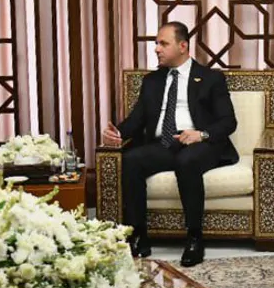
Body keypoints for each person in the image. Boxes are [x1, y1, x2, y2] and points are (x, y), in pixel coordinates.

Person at [101, 22, 238, 267]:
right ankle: (139, 235)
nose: (157, 49)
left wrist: (201, 134)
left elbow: (228, 121)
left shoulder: (211, 78)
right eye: (157, 43)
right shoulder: (152, 81)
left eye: (163, 43)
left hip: (200, 144)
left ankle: (194, 238)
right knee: (131, 160)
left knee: (187, 161)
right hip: (165, 143)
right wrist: (117, 133)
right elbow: (137, 119)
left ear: (183, 46)